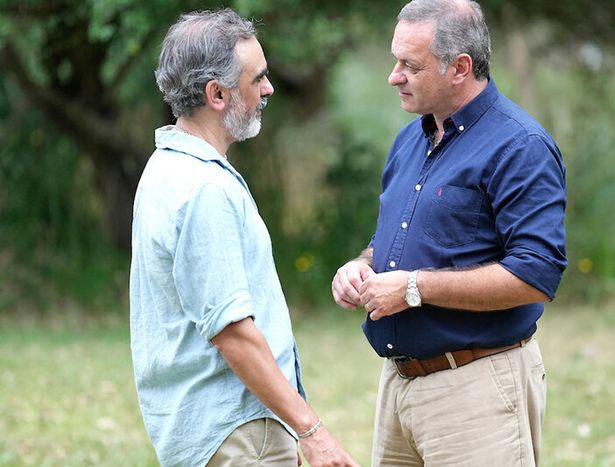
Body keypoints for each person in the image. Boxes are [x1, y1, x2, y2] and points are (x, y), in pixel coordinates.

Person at [331, 0, 567, 465]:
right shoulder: (409, 140)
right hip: (397, 388)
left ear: (460, 67)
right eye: (395, 60)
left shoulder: (521, 146)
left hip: (476, 388)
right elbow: (397, 240)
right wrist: (360, 266)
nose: (394, 76)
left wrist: (414, 288)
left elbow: (536, 274)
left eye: (410, 65)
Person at [130, 9, 358, 467]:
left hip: (219, 431)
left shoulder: (164, 168)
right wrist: (311, 431)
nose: (269, 89)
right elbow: (232, 332)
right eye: (258, 79)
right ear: (217, 94)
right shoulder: (204, 190)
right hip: (237, 429)